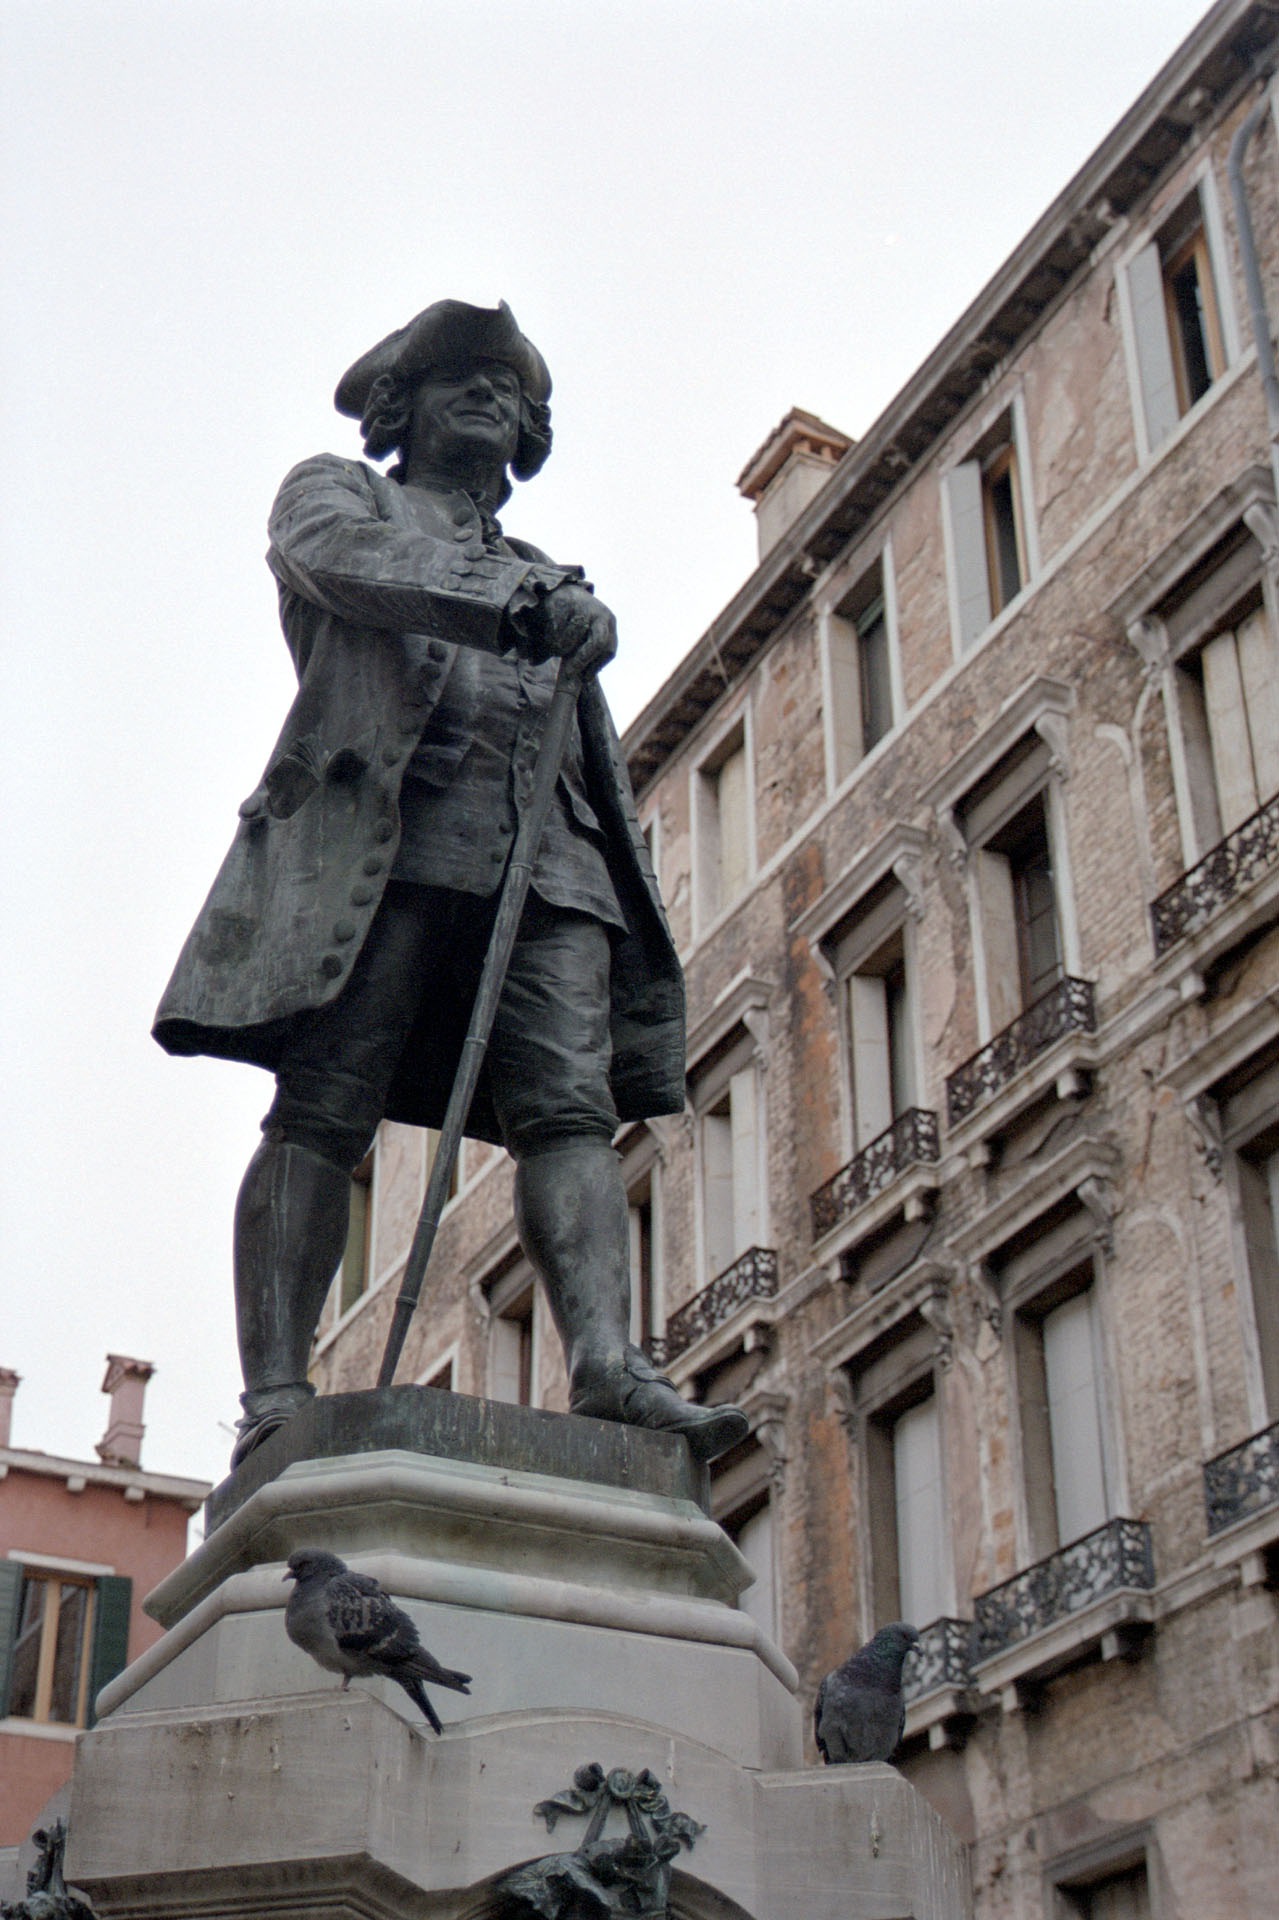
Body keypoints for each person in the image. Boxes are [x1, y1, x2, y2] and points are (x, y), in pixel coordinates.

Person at [155, 299, 748, 1469]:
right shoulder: (341, 498)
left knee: (571, 1111)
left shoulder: (542, 572)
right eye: (460, 376)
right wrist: (524, 609)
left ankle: (607, 1365)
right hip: (387, 843)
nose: (490, 394)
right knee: (325, 1107)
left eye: (510, 388)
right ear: (402, 406)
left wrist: (551, 609)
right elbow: (342, 563)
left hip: (553, 862)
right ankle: (274, 1392)